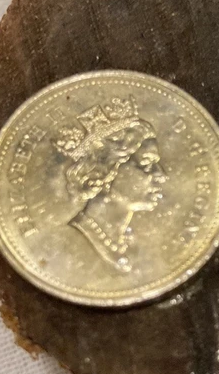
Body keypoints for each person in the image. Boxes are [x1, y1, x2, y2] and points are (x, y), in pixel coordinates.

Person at [53, 96, 167, 272]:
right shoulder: (67, 244)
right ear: (107, 170)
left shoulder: (123, 243)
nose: (161, 175)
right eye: (146, 163)